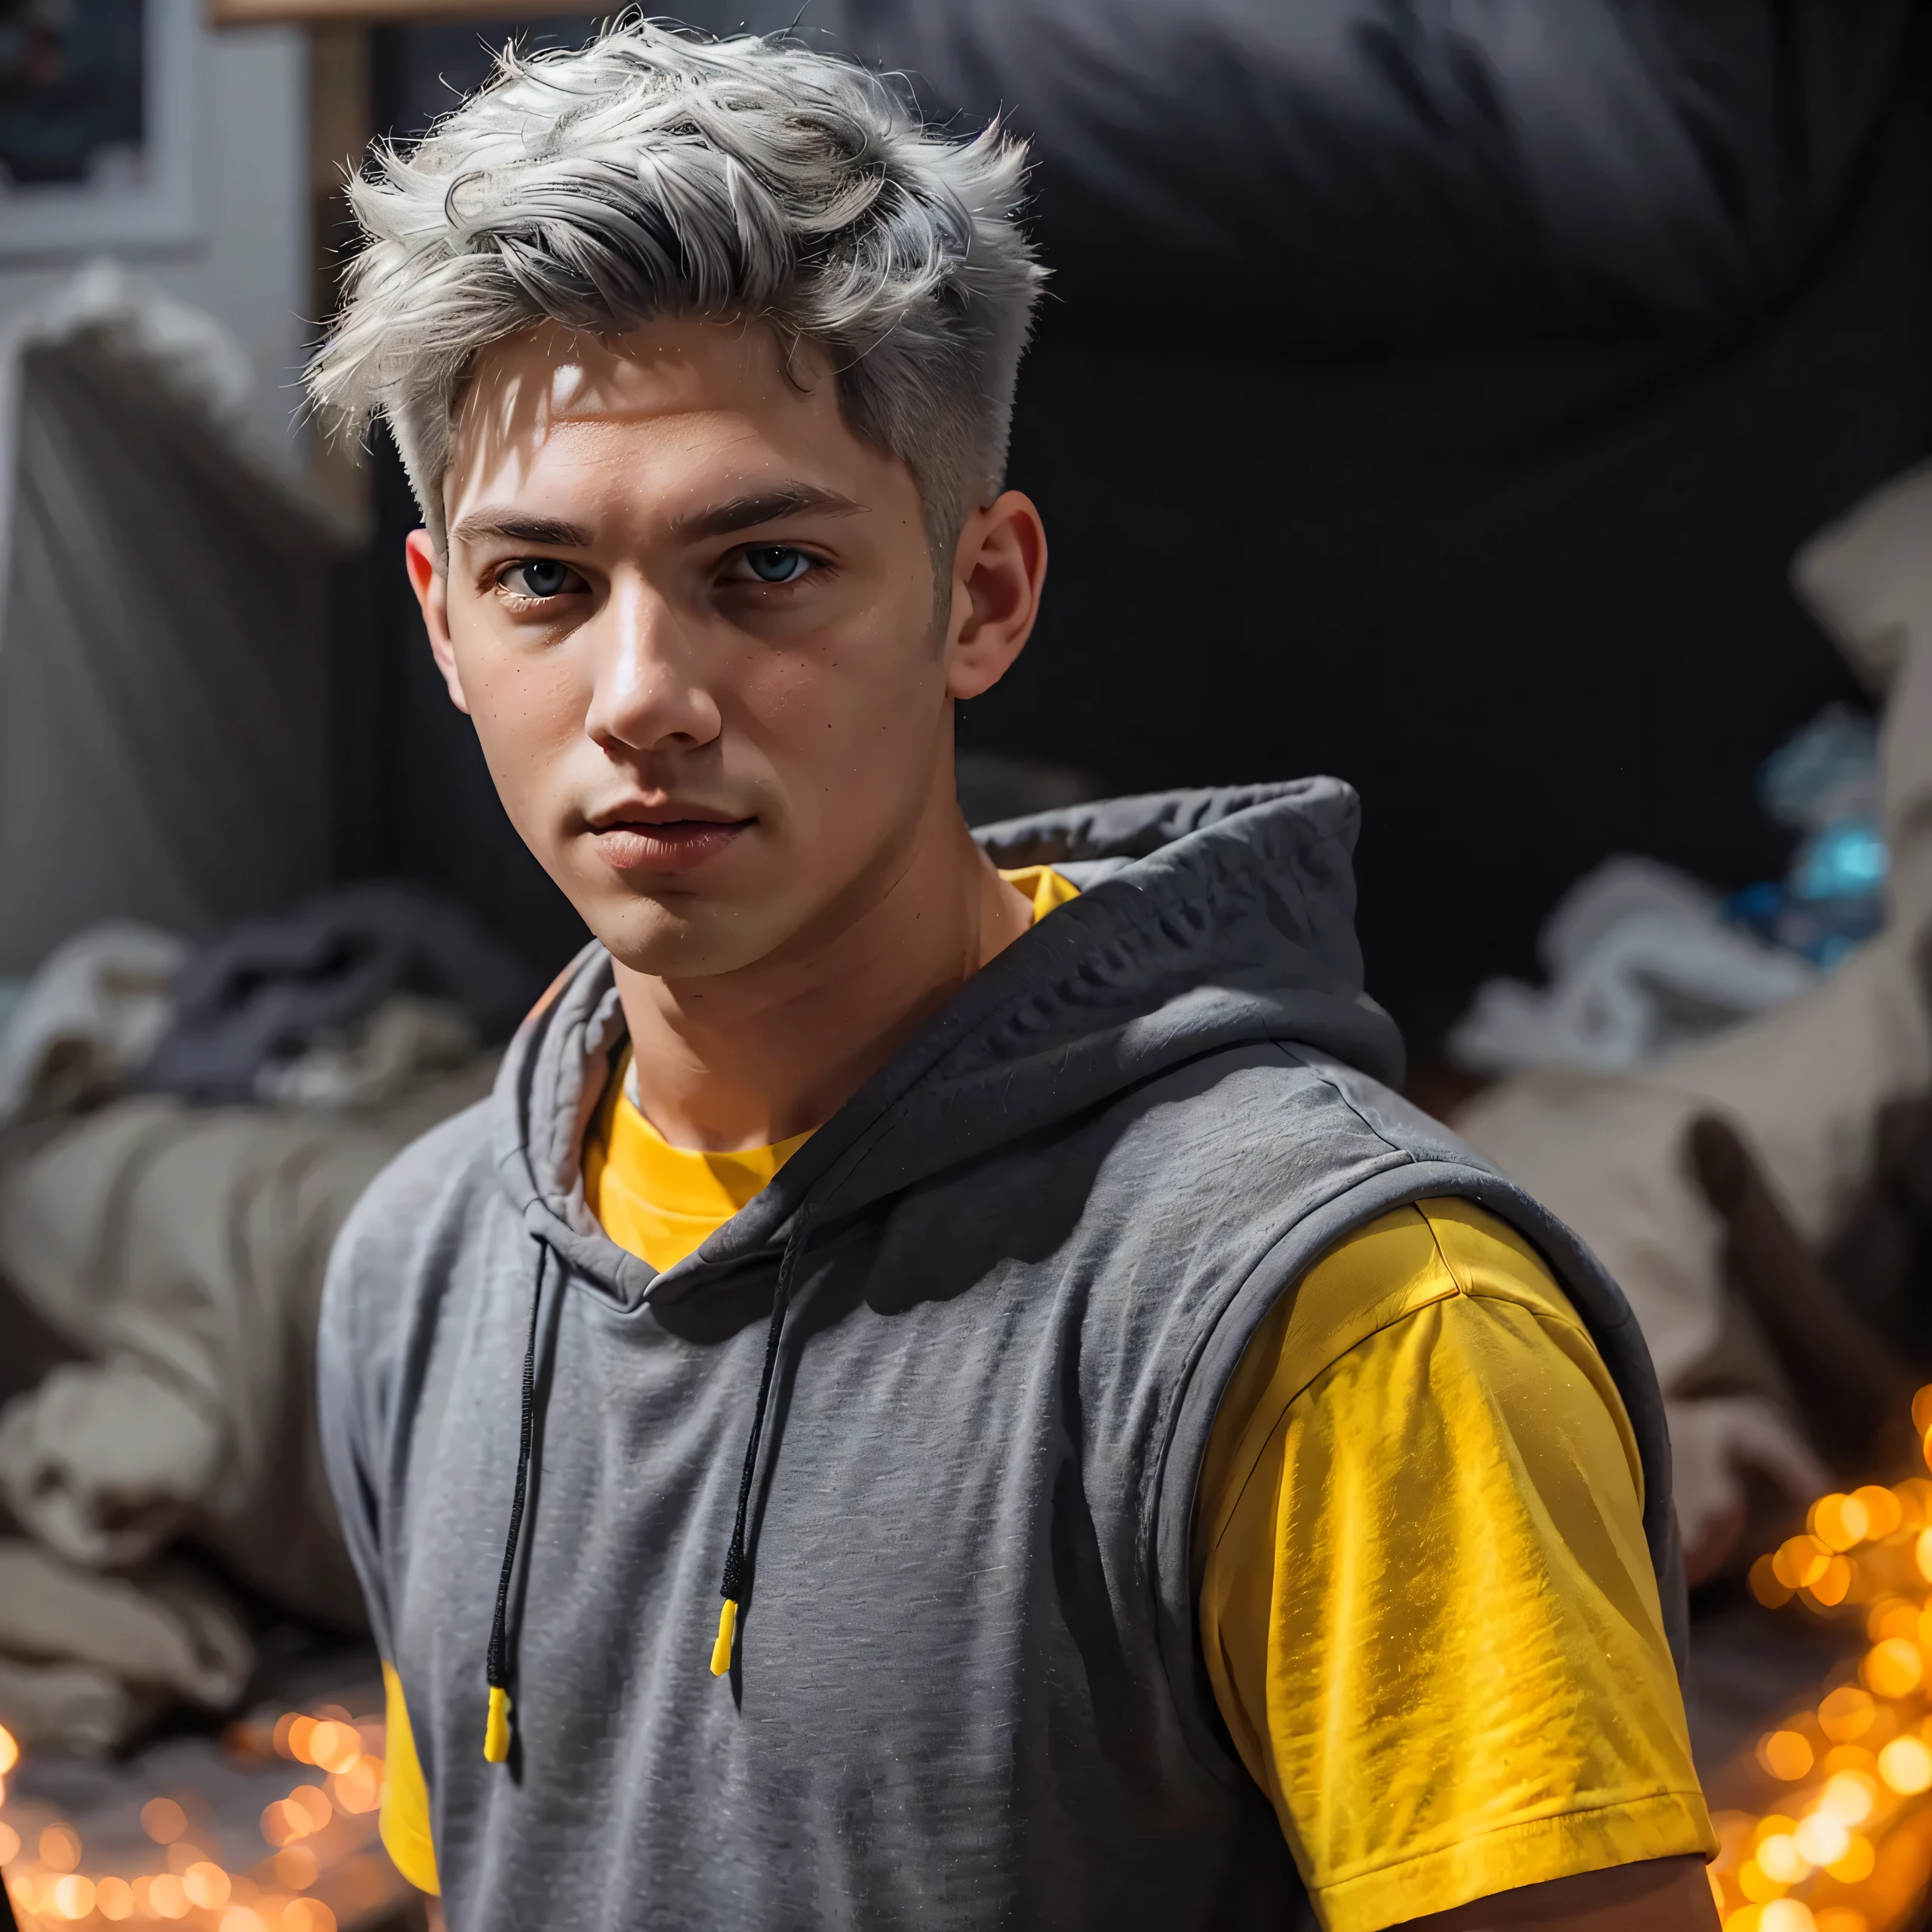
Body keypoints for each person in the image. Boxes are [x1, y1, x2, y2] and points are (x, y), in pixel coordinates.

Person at [309, 23, 1718, 1930]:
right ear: (444, 626)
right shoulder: (424, 1263)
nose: (641, 694)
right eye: (545, 580)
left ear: (981, 592)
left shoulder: (1349, 1315)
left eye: (767, 565)